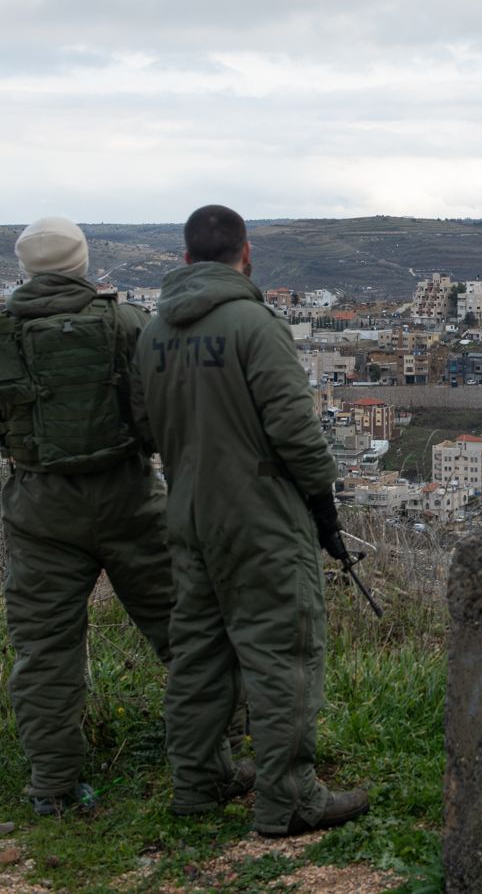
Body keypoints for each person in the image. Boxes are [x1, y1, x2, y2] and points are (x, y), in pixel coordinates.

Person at [0, 216, 242, 816]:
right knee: (185, 630)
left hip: (41, 507)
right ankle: (224, 755)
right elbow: (158, 411)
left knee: (46, 651)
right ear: (83, 264)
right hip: (130, 497)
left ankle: (54, 789)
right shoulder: (127, 324)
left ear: (27, 270)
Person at [131, 204, 368, 833]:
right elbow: (294, 429)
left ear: (184, 260)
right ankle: (288, 799)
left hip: (186, 511)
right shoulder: (254, 325)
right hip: (260, 515)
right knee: (281, 651)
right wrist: (321, 498)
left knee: (199, 653)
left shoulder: (153, 334)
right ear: (247, 253)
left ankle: (198, 781)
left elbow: (144, 424)